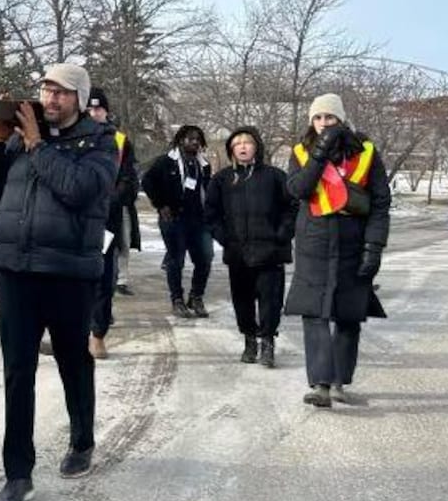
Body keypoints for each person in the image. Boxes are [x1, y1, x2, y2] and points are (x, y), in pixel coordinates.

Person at [0, 63, 117, 501]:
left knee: (74, 362)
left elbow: (78, 190)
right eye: (45, 90)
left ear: (79, 99)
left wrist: (36, 144)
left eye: (61, 93)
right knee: (18, 371)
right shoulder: (18, 140)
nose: (50, 99)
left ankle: (82, 440)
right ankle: (18, 472)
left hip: (69, 272)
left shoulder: (99, 142)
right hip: (16, 269)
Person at [284, 94, 390, 408]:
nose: (323, 124)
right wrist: (319, 153)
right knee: (314, 311)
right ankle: (320, 385)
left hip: (352, 239)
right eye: (318, 118)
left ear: (341, 119)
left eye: (330, 118)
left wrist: (374, 246)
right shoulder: (301, 152)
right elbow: (298, 190)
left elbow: (381, 204)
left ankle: (339, 381)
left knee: (348, 314)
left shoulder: (367, 152)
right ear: (311, 121)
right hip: (313, 239)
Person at [204, 126, 297, 368]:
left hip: (271, 251)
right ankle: (249, 340)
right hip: (238, 253)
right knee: (242, 300)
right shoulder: (222, 179)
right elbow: (211, 214)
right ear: (231, 150)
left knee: (271, 300)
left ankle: (267, 341)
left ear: (257, 146)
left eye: (248, 142)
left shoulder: (275, 176)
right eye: (237, 143)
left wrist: (283, 232)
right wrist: (224, 237)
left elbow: (292, 208)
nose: (243, 147)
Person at [85, 88, 139, 359]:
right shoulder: (70, 136)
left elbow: (129, 182)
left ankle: (98, 334)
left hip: (106, 221)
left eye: (98, 109)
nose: (94, 113)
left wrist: (107, 202)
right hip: (74, 220)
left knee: (104, 280)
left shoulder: (120, 141)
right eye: (89, 109)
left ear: (106, 111)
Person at [142, 125, 214, 318]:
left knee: (205, 258)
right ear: (181, 140)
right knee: (176, 260)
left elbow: (206, 190)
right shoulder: (166, 162)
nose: (195, 142)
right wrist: (161, 204)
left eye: (198, 139)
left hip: (199, 220)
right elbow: (147, 181)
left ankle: (196, 296)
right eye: (191, 139)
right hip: (174, 219)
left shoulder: (203, 164)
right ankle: (177, 300)